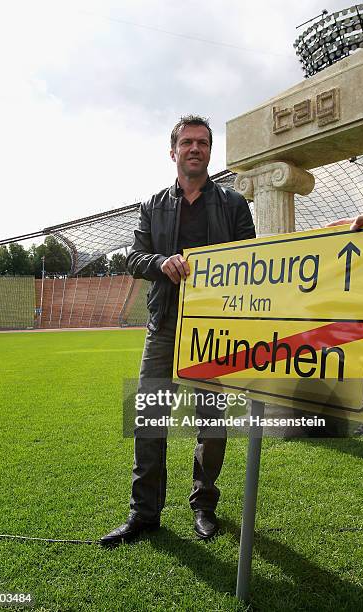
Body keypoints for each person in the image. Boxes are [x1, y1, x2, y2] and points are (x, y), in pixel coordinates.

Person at [99, 115, 255, 546]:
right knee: (149, 418)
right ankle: (144, 514)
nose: (195, 149)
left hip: (216, 329)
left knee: (212, 423)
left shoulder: (233, 204)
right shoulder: (153, 205)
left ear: (209, 151)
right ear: (173, 152)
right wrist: (160, 264)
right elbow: (134, 258)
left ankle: (204, 507)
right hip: (164, 324)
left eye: (202, 143)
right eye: (187, 143)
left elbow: (252, 259)